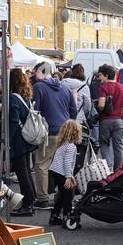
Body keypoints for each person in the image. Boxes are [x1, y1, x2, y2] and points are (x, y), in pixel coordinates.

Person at [30, 61, 77, 206]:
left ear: (41, 72)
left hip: (47, 132)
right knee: (63, 164)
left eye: (36, 72)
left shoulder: (39, 87)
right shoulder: (65, 88)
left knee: (42, 165)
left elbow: (36, 111)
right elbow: (73, 111)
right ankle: (62, 195)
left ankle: (43, 198)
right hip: (65, 132)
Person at [5, 67, 38, 217]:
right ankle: (31, 199)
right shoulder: (24, 97)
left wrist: (7, 142)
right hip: (25, 139)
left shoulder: (13, 98)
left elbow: (13, 122)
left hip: (18, 141)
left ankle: (27, 203)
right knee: (26, 172)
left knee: (22, 173)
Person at [48, 120, 84, 228]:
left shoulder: (63, 144)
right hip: (62, 172)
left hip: (55, 171)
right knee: (68, 195)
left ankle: (55, 215)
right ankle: (67, 217)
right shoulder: (71, 147)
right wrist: (68, 177)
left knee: (62, 193)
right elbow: (67, 163)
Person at [96, 64, 123, 172]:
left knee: (104, 144)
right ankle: (118, 171)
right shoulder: (122, 87)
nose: (99, 78)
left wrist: (99, 110)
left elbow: (101, 105)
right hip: (119, 120)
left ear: (106, 75)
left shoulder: (104, 87)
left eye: (100, 75)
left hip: (106, 120)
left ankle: (108, 168)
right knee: (118, 147)